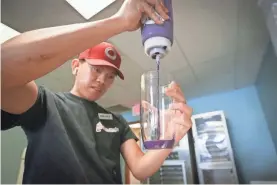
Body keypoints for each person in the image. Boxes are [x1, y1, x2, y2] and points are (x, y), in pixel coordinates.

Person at [1, 0, 193, 184]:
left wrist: (170, 136)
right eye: (96, 69)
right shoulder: (43, 103)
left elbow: (141, 169)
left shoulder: (117, 121)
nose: (102, 80)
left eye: (110, 76)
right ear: (76, 66)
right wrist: (120, 21)